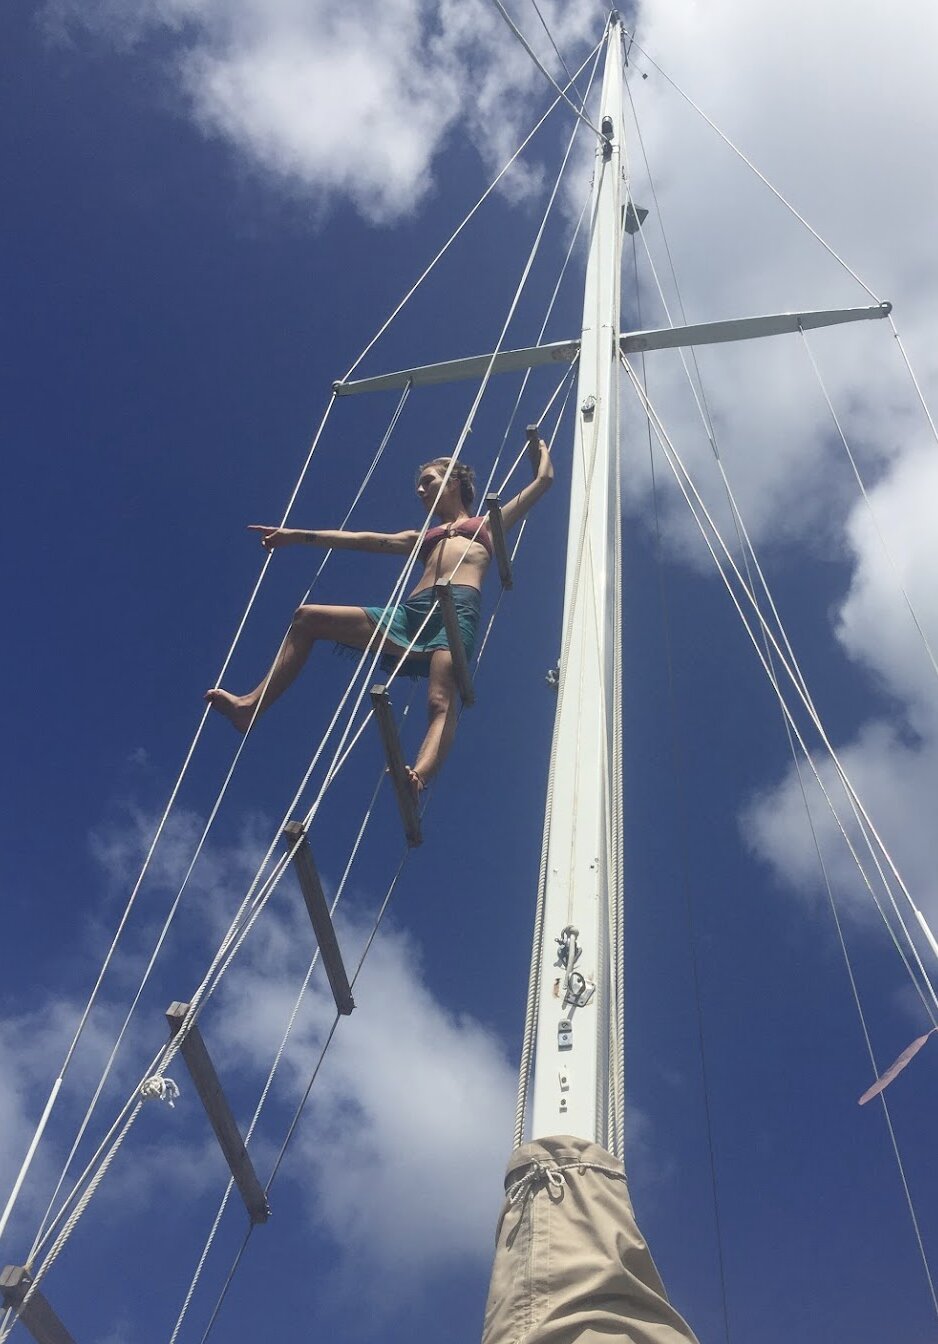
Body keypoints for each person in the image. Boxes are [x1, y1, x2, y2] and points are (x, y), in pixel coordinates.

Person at [206, 433, 554, 795]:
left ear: (454, 481)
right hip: (409, 614)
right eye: (419, 486)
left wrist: (539, 448)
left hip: (456, 611)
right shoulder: (422, 537)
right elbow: (361, 539)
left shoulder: (486, 526)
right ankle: (250, 706)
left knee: (440, 700)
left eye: (428, 482)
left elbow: (542, 481)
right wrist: (294, 535)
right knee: (307, 617)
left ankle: (418, 775)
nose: (420, 492)